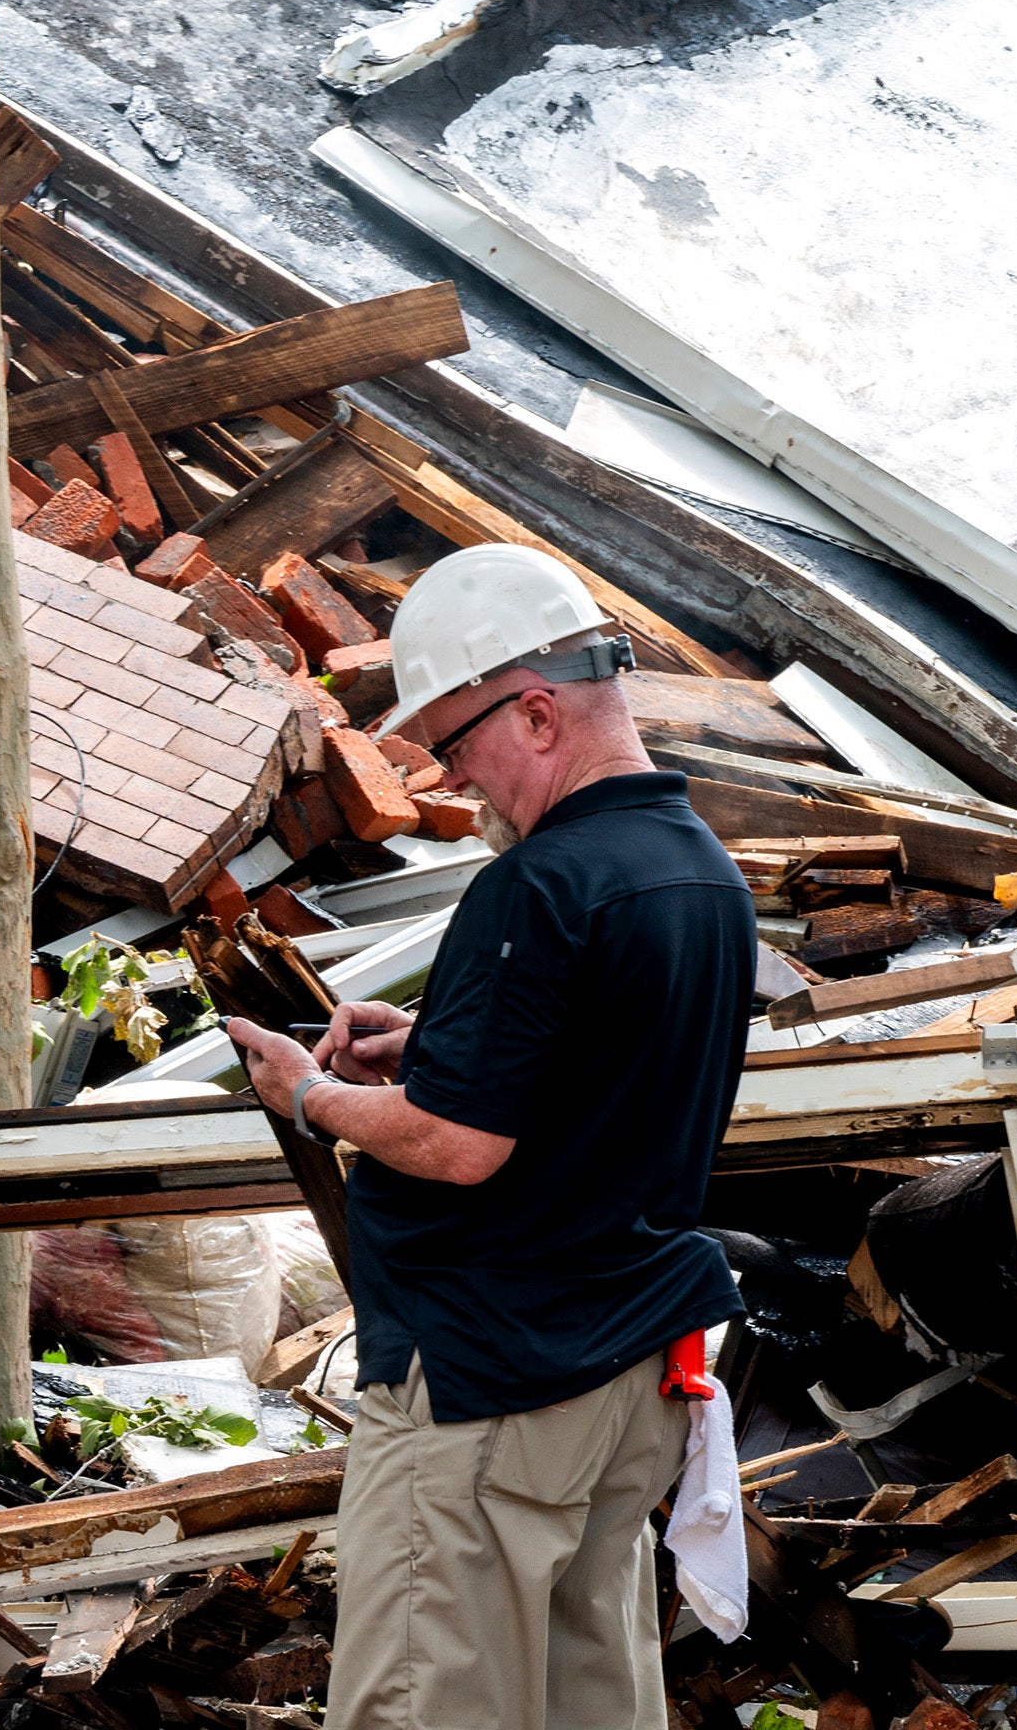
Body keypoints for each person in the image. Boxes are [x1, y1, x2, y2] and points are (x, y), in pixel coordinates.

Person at [225, 545, 756, 1730]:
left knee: (425, 1699)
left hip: (492, 1378)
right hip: (625, 1369)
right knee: (587, 1699)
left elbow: (462, 1148)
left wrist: (306, 1097)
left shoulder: (539, 886)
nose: (457, 781)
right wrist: (438, 1044)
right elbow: (609, 1063)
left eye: (459, 744)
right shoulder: (697, 873)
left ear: (534, 707)